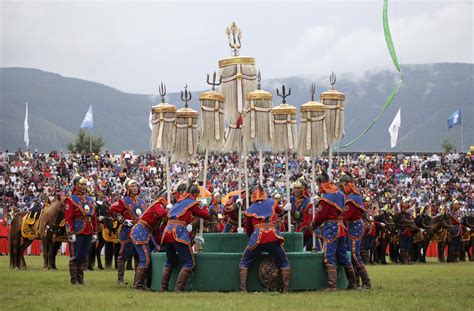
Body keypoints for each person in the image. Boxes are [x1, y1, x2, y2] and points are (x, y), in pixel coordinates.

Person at [239, 184, 291, 293]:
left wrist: (252, 237)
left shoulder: (250, 209)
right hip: (272, 236)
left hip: (257, 237)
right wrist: (285, 207)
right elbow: (280, 211)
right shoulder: (272, 202)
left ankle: (243, 289)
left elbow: (248, 229)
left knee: (244, 262)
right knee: (284, 262)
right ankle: (286, 289)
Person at [312, 172, 357, 291]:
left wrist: (314, 224)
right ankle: (353, 283)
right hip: (341, 226)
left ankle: (332, 285)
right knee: (343, 255)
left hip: (331, 227)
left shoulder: (326, 198)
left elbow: (321, 216)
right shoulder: (341, 193)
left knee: (329, 255)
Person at [160, 184, 209, 292]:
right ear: (195, 194)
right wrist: (204, 206)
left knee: (170, 260)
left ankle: (163, 287)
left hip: (168, 230)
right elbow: (205, 215)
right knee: (189, 262)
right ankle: (179, 288)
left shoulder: (179, 201)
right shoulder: (191, 202)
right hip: (178, 231)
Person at [109, 179, 146, 285]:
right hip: (127, 231)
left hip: (139, 231)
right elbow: (112, 210)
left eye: (136, 186)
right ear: (127, 189)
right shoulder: (123, 201)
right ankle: (120, 279)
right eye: (132, 186)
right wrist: (123, 221)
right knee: (123, 255)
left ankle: (137, 280)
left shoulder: (142, 202)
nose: (135, 188)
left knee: (139, 256)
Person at [130, 190, 168, 290]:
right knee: (145, 260)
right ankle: (137, 286)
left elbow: (156, 230)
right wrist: (168, 212)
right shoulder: (158, 204)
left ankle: (141, 284)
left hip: (144, 232)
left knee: (144, 259)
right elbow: (162, 212)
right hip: (140, 232)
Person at [64, 175, 98, 285]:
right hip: (77, 230)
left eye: (85, 184)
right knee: (75, 255)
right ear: (76, 186)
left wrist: (95, 232)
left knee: (83, 256)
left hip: (88, 230)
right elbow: (68, 218)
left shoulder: (90, 200)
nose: (84, 186)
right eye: (82, 184)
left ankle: (80, 278)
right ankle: (74, 280)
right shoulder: (70, 200)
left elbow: (94, 217)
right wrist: (70, 232)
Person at [341, 173, 371, 289]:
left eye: (343, 186)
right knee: (351, 254)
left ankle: (366, 281)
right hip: (353, 228)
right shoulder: (353, 196)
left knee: (354, 254)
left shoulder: (352, 199)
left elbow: (345, 216)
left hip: (355, 228)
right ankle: (355, 282)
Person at [290, 178, 315, 250]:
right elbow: (282, 213)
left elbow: (306, 222)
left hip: (308, 232)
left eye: (298, 188)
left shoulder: (308, 202)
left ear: (304, 189)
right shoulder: (291, 199)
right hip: (296, 229)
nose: (295, 190)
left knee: (311, 251)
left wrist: (298, 235)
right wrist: (284, 209)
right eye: (295, 188)